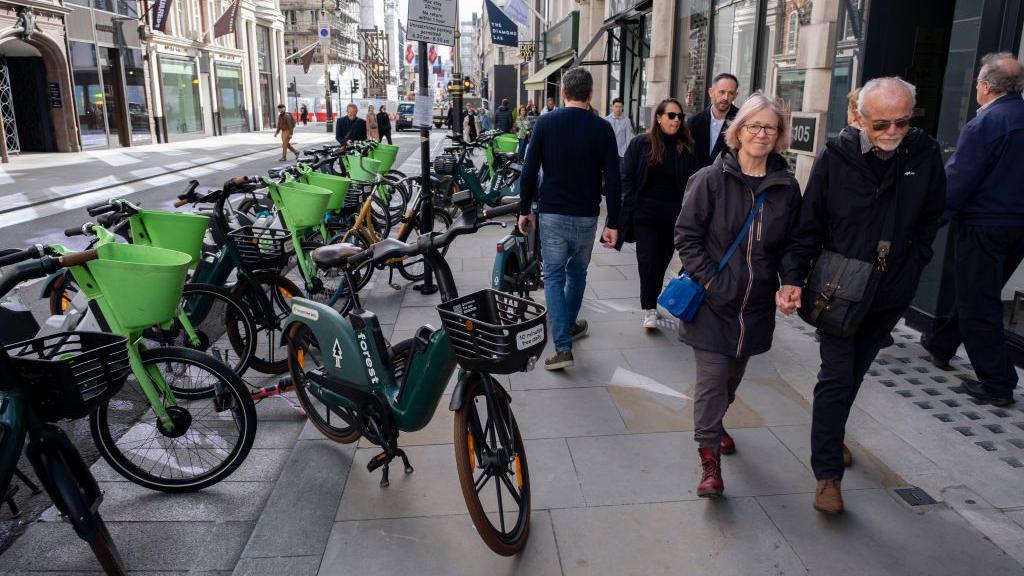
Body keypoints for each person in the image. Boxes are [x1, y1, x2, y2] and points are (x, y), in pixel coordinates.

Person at [779, 77, 946, 515]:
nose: (892, 132)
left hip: (892, 289)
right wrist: (793, 277)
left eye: (903, 122)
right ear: (859, 118)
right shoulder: (837, 156)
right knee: (836, 375)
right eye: (882, 124)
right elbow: (808, 224)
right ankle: (827, 474)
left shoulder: (923, 152)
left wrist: (915, 261)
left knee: (855, 371)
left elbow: (932, 214)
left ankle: (832, 435)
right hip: (841, 286)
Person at [675, 93, 801, 499]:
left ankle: (716, 422)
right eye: (753, 126)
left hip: (755, 306)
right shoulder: (710, 180)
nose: (761, 134)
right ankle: (708, 460)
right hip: (713, 304)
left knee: (731, 381)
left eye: (770, 127)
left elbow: (792, 245)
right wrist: (713, 282)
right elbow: (687, 237)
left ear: (779, 134)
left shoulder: (786, 187)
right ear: (737, 130)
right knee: (712, 382)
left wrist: (790, 281)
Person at [922, 53, 1024, 406]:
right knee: (978, 291)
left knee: (979, 301)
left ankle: (997, 383)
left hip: (984, 226)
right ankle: (941, 344)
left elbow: (959, 180)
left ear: (984, 87)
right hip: (1017, 228)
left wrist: (929, 221)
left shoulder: (986, 124)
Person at [518, 67, 621, 371]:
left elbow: (528, 171)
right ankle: (569, 326)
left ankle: (562, 345)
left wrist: (524, 209)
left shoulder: (546, 123)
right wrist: (613, 222)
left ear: (563, 94)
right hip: (587, 216)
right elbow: (614, 181)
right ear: (591, 94)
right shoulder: (603, 129)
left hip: (552, 214)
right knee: (577, 274)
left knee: (553, 277)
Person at [619, 98, 697, 329]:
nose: (676, 120)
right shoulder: (641, 144)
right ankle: (649, 308)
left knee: (662, 261)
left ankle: (652, 301)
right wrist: (632, 206)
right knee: (647, 260)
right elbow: (628, 176)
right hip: (645, 213)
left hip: (673, 215)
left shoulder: (687, 148)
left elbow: (693, 183)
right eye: (671, 115)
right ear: (659, 117)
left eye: (679, 117)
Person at [687, 73, 740, 169]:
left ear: (735, 96)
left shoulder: (741, 121)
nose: (725, 97)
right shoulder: (694, 122)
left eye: (731, 93)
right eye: (722, 92)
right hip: (698, 180)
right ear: (711, 92)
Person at [605, 97, 634, 165]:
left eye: (620, 107)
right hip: (609, 152)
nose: (618, 109)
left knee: (622, 173)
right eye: (616, 106)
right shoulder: (606, 120)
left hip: (622, 153)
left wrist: (628, 153)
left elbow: (628, 138)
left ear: (623, 107)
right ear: (612, 107)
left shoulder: (627, 120)